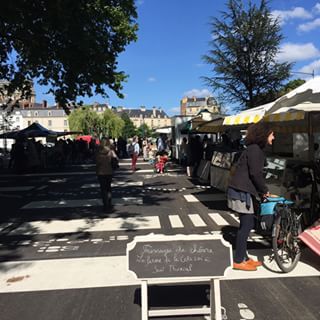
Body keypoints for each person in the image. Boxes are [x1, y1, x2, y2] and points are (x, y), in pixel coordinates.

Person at [227, 122, 275, 271]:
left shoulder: (253, 149)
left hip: (242, 191)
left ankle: (244, 257)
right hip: (242, 192)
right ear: (264, 134)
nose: (274, 137)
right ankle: (238, 260)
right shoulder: (255, 151)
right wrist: (264, 190)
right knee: (246, 225)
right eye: (272, 134)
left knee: (247, 224)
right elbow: (255, 174)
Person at [95, 137, 118, 213]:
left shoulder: (98, 151)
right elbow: (116, 159)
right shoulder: (110, 151)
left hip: (101, 172)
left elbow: (97, 162)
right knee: (108, 189)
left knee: (103, 189)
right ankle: (109, 204)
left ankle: (105, 205)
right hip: (109, 171)